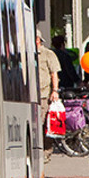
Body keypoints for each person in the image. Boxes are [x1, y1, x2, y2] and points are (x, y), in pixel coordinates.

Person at [37, 30, 61, 162]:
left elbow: (54, 74)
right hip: (30, 95)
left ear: (38, 39)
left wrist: (55, 91)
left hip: (44, 94)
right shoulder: (27, 54)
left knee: (43, 124)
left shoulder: (47, 54)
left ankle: (46, 151)